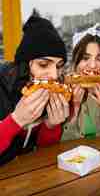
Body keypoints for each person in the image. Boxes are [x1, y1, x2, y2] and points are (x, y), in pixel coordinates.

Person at [0, 15, 69, 165]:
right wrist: (15, 121)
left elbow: (41, 152)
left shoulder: (50, 91)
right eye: (44, 64)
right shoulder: (3, 86)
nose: (54, 75)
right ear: (25, 66)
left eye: (59, 66)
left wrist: (51, 126)